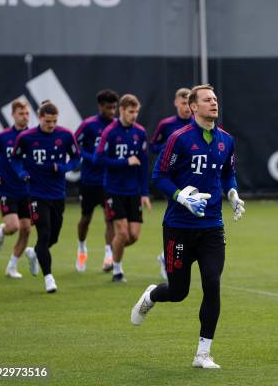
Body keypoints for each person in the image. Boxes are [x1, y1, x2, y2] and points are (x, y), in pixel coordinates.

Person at [131, 84, 245, 369]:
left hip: (212, 227)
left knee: (212, 283)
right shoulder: (179, 139)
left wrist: (232, 193)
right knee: (178, 291)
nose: (213, 103)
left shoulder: (226, 140)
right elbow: (158, 176)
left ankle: (203, 354)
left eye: (215, 98)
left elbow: (228, 173)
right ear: (193, 106)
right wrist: (181, 196)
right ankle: (151, 295)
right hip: (178, 226)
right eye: (207, 99)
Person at [11, 101, 81, 293]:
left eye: (54, 121)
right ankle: (49, 278)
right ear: (39, 117)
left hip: (58, 193)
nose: (51, 125)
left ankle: (34, 252)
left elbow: (76, 158)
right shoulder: (26, 137)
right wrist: (21, 173)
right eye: (48, 121)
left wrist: (64, 167)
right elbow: (15, 159)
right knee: (43, 232)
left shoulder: (66, 135)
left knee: (53, 237)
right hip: (36, 193)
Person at [95, 94, 150, 283]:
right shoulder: (110, 132)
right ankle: (117, 270)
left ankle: (113, 253)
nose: (134, 115)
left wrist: (144, 193)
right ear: (121, 110)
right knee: (122, 232)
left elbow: (143, 165)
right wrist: (124, 162)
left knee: (133, 235)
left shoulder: (140, 133)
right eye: (130, 111)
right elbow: (99, 159)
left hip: (133, 191)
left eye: (136, 112)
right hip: (113, 190)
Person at [0, 99, 38, 278]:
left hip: (27, 190)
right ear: (13, 115)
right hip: (7, 189)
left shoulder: (33, 136)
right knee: (13, 226)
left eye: (27, 114)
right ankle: (3, 229)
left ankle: (12, 266)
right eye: (21, 114)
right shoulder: (2, 137)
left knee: (26, 229)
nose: (24, 117)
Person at [150, 87, 193, 279]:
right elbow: (152, 145)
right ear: (176, 103)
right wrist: (171, 144)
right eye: (182, 103)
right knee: (178, 217)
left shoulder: (197, 124)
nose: (186, 107)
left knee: (192, 222)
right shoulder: (167, 125)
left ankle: (167, 256)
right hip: (173, 180)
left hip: (192, 178)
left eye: (188, 103)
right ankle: (168, 257)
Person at [74, 89, 119, 273]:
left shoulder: (118, 126)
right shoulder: (89, 125)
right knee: (86, 218)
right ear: (100, 106)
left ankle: (108, 255)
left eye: (115, 107)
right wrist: (89, 156)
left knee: (110, 219)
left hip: (109, 181)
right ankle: (82, 248)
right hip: (89, 180)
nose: (112, 111)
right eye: (109, 107)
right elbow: (74, 145)